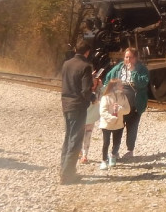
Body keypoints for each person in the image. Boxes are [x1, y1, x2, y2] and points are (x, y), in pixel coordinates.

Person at [102, 47, 150, 160]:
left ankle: (130, 150)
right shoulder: (119, 67)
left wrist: (133, 72)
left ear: (136, 58)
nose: (127, 59)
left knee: (132, 127)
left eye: (130, 57)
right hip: (120, 104)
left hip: (135, 103)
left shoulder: (142, 69)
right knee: (118, 127)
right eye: (126, 57)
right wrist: (106, 90)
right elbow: (108, 78)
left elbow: (143, 83)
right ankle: (115, 151)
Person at [60, 40, 96, 184]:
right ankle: (68, 175)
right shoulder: (86, 66)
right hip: (78, 106)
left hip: (66, 104)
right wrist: (93, 97)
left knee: (68, 138)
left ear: (76, 49)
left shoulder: (66, 64)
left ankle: (63, 169)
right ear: (87, 52)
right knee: (75, 140)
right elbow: (85, 91)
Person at [98, 78, 130, 170]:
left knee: (117, 142)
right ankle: (104, 161)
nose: (122, 86)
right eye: (120, 84)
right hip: (107, 124)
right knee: (106, 142)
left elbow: (127, 110)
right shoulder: (106, 97)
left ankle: (112, 155)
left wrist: (120, 109)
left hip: (119, 124)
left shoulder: (123, 97)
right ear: (114, 86)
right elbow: (102, 111)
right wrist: (111, 118)